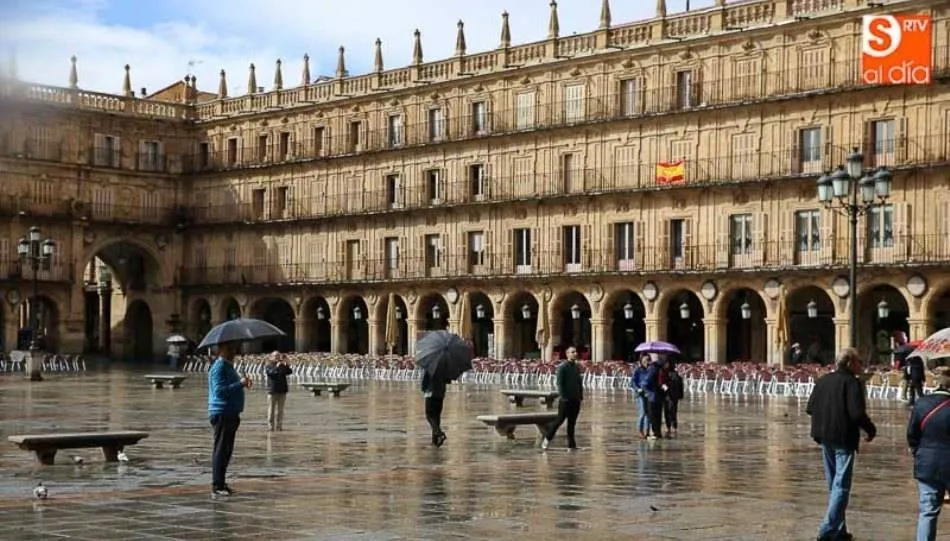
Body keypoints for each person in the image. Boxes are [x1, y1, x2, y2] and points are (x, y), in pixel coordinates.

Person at [806, 347, 877, 541]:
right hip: (843, 438)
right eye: (859, 362)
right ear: (850, 363)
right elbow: (856, 413)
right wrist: (871, 430)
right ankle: (827, 529)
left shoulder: (823, 381)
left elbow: (810, 408)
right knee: (841, 486)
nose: (862, 366)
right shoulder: (852, 383)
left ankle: (839, 530)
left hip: (824, 437)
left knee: (834, 486)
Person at [907, 366, 950, 541]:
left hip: (926, 464)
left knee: (928, 512)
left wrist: (919, 453)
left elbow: (912, 435)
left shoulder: (921, 404)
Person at [208, 341, 252, 498]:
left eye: (234, 348)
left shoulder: (227, 366)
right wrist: (239, 384)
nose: (233, 351)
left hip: (230, 412)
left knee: (226, 450)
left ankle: (221, 482)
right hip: (222, 412)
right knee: (221, 450)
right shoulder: (219, 367)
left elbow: (230, 386)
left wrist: (241, 383)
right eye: (229, 348)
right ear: (220, 350)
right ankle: (217, 484)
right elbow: (219, 391)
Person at [542, 346, 583, 450]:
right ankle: (547, 438)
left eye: (575, 352)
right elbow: (560, 383)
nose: (575, 353)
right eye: (572, 352)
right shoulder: (563, 367)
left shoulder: (576, 367)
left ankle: (572, 445)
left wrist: (580, 395)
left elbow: (579, 382)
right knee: (559, 421)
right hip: (565, 399)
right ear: (567, 354)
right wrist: (564, 396)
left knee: (572, 424)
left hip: (575, 399)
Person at [264, 351, 293, 431]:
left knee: (280, 410)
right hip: (272, 391)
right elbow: (271, 373)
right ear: (271, 357)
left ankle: (279, 426)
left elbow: (289, 372)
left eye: (278, 356)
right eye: (275, 356)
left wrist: (287, 363)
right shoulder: (268, 365)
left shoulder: (282, 365)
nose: (277, 357)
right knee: (271, 410)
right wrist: (277, 366)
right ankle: (270, 426)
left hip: (282, 391)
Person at [421, 371, 448, 447]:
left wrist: (423, 389)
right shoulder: (444, 368)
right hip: (440, 394)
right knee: (436, 417)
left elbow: (425, 380)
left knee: (429, 416)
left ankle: (439, 433)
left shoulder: (430, 367)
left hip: (430, 393)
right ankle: (434, 441)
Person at [629, 355, 652, 439]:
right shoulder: (638, 370)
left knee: (648, 414)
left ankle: (647, 431)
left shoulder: (651, 370)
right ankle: (640, 431)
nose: (647, 362)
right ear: (641, 361)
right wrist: (637, 389)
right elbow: (632, 382)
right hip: (640, 394)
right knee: (642, 413)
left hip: (648, 394)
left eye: (648, 360)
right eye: (645, 360)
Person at [643, 356, 665, 441]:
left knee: (652, 415)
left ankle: (654, 433)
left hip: (652, 395)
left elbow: (647, 382)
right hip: (660, 395)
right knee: (658, 415)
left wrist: (645, 389)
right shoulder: (661, 368)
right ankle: (658, 432)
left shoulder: (652, 368)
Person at [662, 360, 685, 437]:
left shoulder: (674, 374)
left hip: (672, 396)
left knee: (671, 411)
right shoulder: (665, 373)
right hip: (667, 395)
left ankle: (673, 426)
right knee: (667, 411)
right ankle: (669, 427)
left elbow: (678, 385)